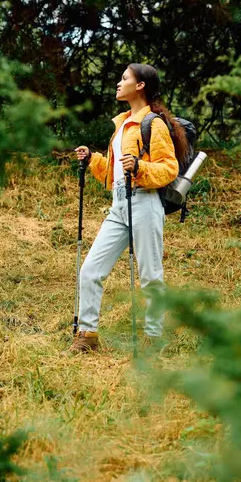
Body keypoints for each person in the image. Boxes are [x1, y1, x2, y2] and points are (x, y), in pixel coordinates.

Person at [72, 63, 189, 352]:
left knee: (150, 275)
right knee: (89, 270)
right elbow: (113, 173)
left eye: (124, 78)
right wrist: (93, 160)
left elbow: (169, 168)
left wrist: (139, 167)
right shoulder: (123, 123)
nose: (118, 82)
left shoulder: (153, 123)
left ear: (140, 86)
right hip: (119, 207)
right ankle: (87, 337)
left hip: (146, 203)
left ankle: (153, 337)